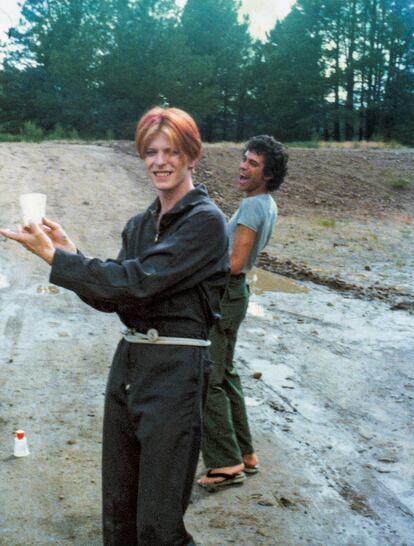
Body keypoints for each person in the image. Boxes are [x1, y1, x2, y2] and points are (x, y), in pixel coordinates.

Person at [0, 107, 229, 545]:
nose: (160, 161)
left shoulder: (206, 223)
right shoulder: (139, 225)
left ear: (192, 157)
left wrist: (55, 258)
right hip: (128, 367)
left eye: (171, 152)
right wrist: (73, 250)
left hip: (177, 371)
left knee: (158, 526)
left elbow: (138, 282)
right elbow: (116, 297)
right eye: (151, 152)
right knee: (119, 516)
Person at [198, 135, 288, 490]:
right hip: (236, 296)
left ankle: (225, 463)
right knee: (226, 373)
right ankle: (245, 454)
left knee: (209, 379)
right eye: (244, 159)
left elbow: (234, 263)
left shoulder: (252, 207)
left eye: (253, 163)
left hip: (226, 294)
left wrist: (194, 269)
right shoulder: (264, 203)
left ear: (267, 175)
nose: (243, 166)